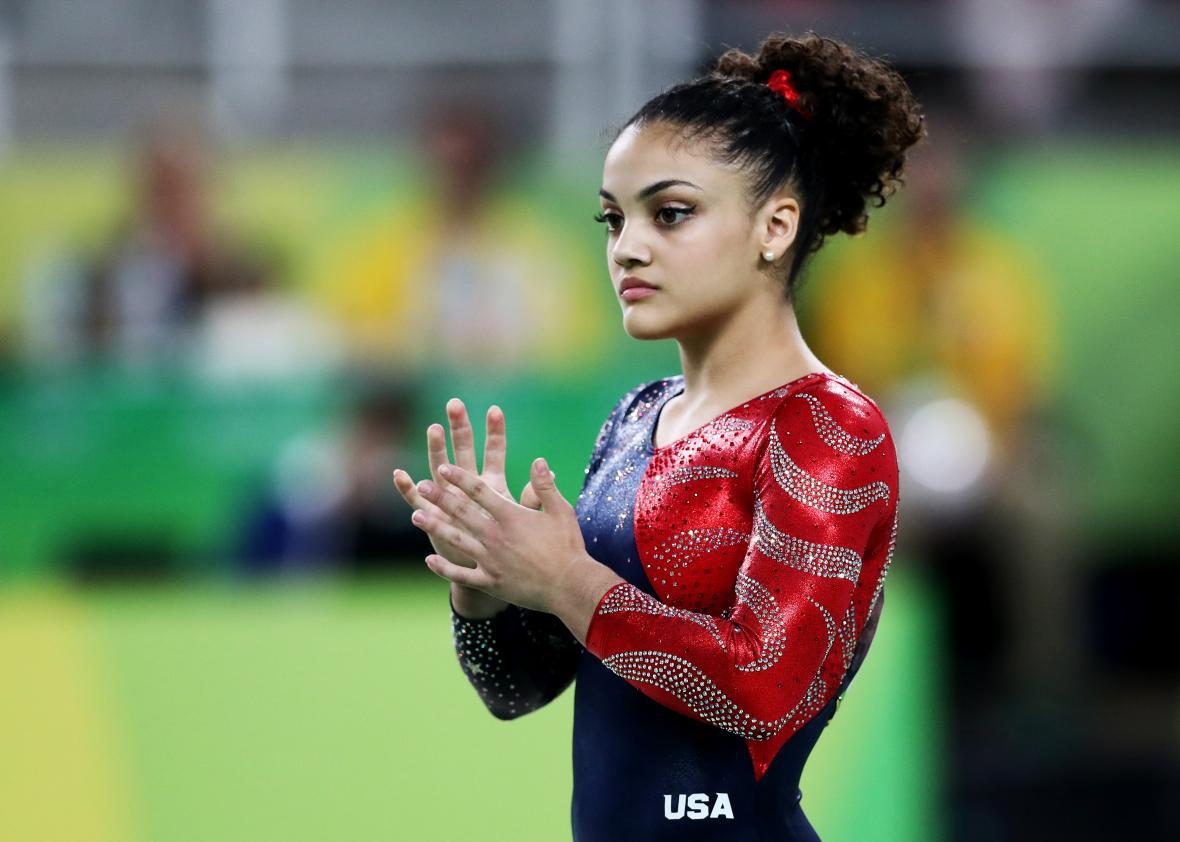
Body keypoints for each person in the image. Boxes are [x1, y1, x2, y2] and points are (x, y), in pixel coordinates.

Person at [393, 31, 925, 841]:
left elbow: (764, 685)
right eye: (613, 219)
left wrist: (569, 580)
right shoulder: (637, 416)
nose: (627, 248)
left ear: (774, 227)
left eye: (670, 214)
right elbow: (518, 690)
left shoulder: (826, 426)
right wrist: (489, 586)